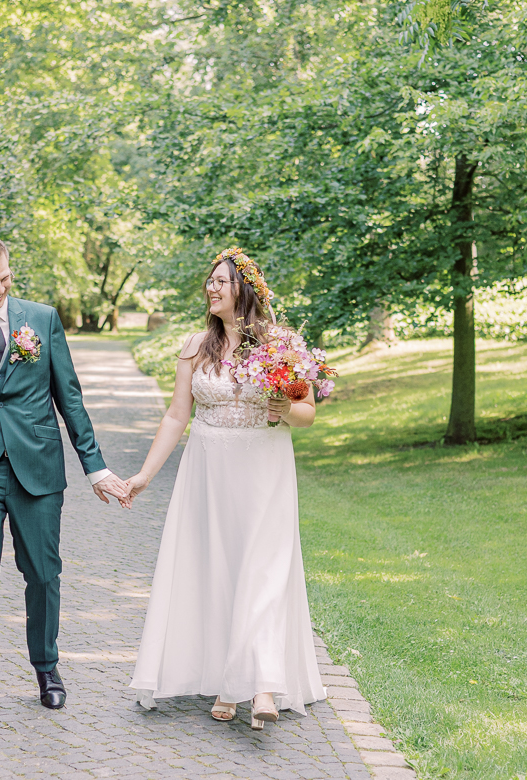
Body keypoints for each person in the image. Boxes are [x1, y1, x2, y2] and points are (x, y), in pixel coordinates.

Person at [0, 232, 130, 743]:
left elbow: (70, 397)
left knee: (43, 574)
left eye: (6, 278)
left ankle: (46, 665)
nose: (0, 289)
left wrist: (96, 466)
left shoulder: (41, 319)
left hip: (36, 465)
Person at [123, 248, 327, 729]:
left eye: (221, 281)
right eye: (209, 281)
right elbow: (177, 415)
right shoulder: (197, 346)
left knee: (262, 570)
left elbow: (308, 412)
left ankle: (259, 686)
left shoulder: (282, 344)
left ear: (245, 289)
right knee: (217, 569)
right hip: (208, 469)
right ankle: (227, 678)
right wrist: (144, 477)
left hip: (264, 466)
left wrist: (284, 409)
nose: (212, 288)